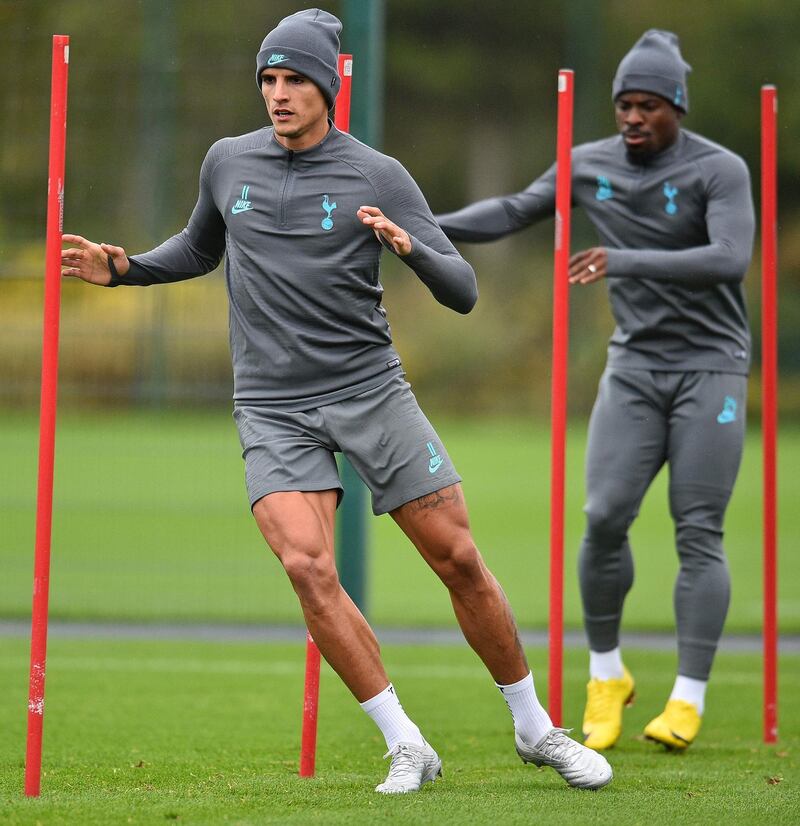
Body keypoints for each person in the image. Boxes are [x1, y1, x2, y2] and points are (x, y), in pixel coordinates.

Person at [61, 8, 611, 793]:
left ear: (326, 87)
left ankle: (535, 727)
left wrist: (409, 246)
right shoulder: (227, 160)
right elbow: (199, 247)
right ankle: (406, 743)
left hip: (369, 391)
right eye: (269, 80)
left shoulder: (378, 174)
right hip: (272, 404)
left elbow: (463, 290)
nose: (278, 94)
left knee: (456, 557)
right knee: (306, 565)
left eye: (293, 80)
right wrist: (127, 270)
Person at [436, 29, 754, 752]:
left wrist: (625, 259)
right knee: (605, 516)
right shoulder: (589, 165)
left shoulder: (719, 169)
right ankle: (606, 675)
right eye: (623, 105)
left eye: (648, 105)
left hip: (711, 366)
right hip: (634, 365)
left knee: (696, 529)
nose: (632, 118)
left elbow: (730, 260)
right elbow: (515, 210)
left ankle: (687, 697)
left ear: (677, 106)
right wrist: (421, 230)